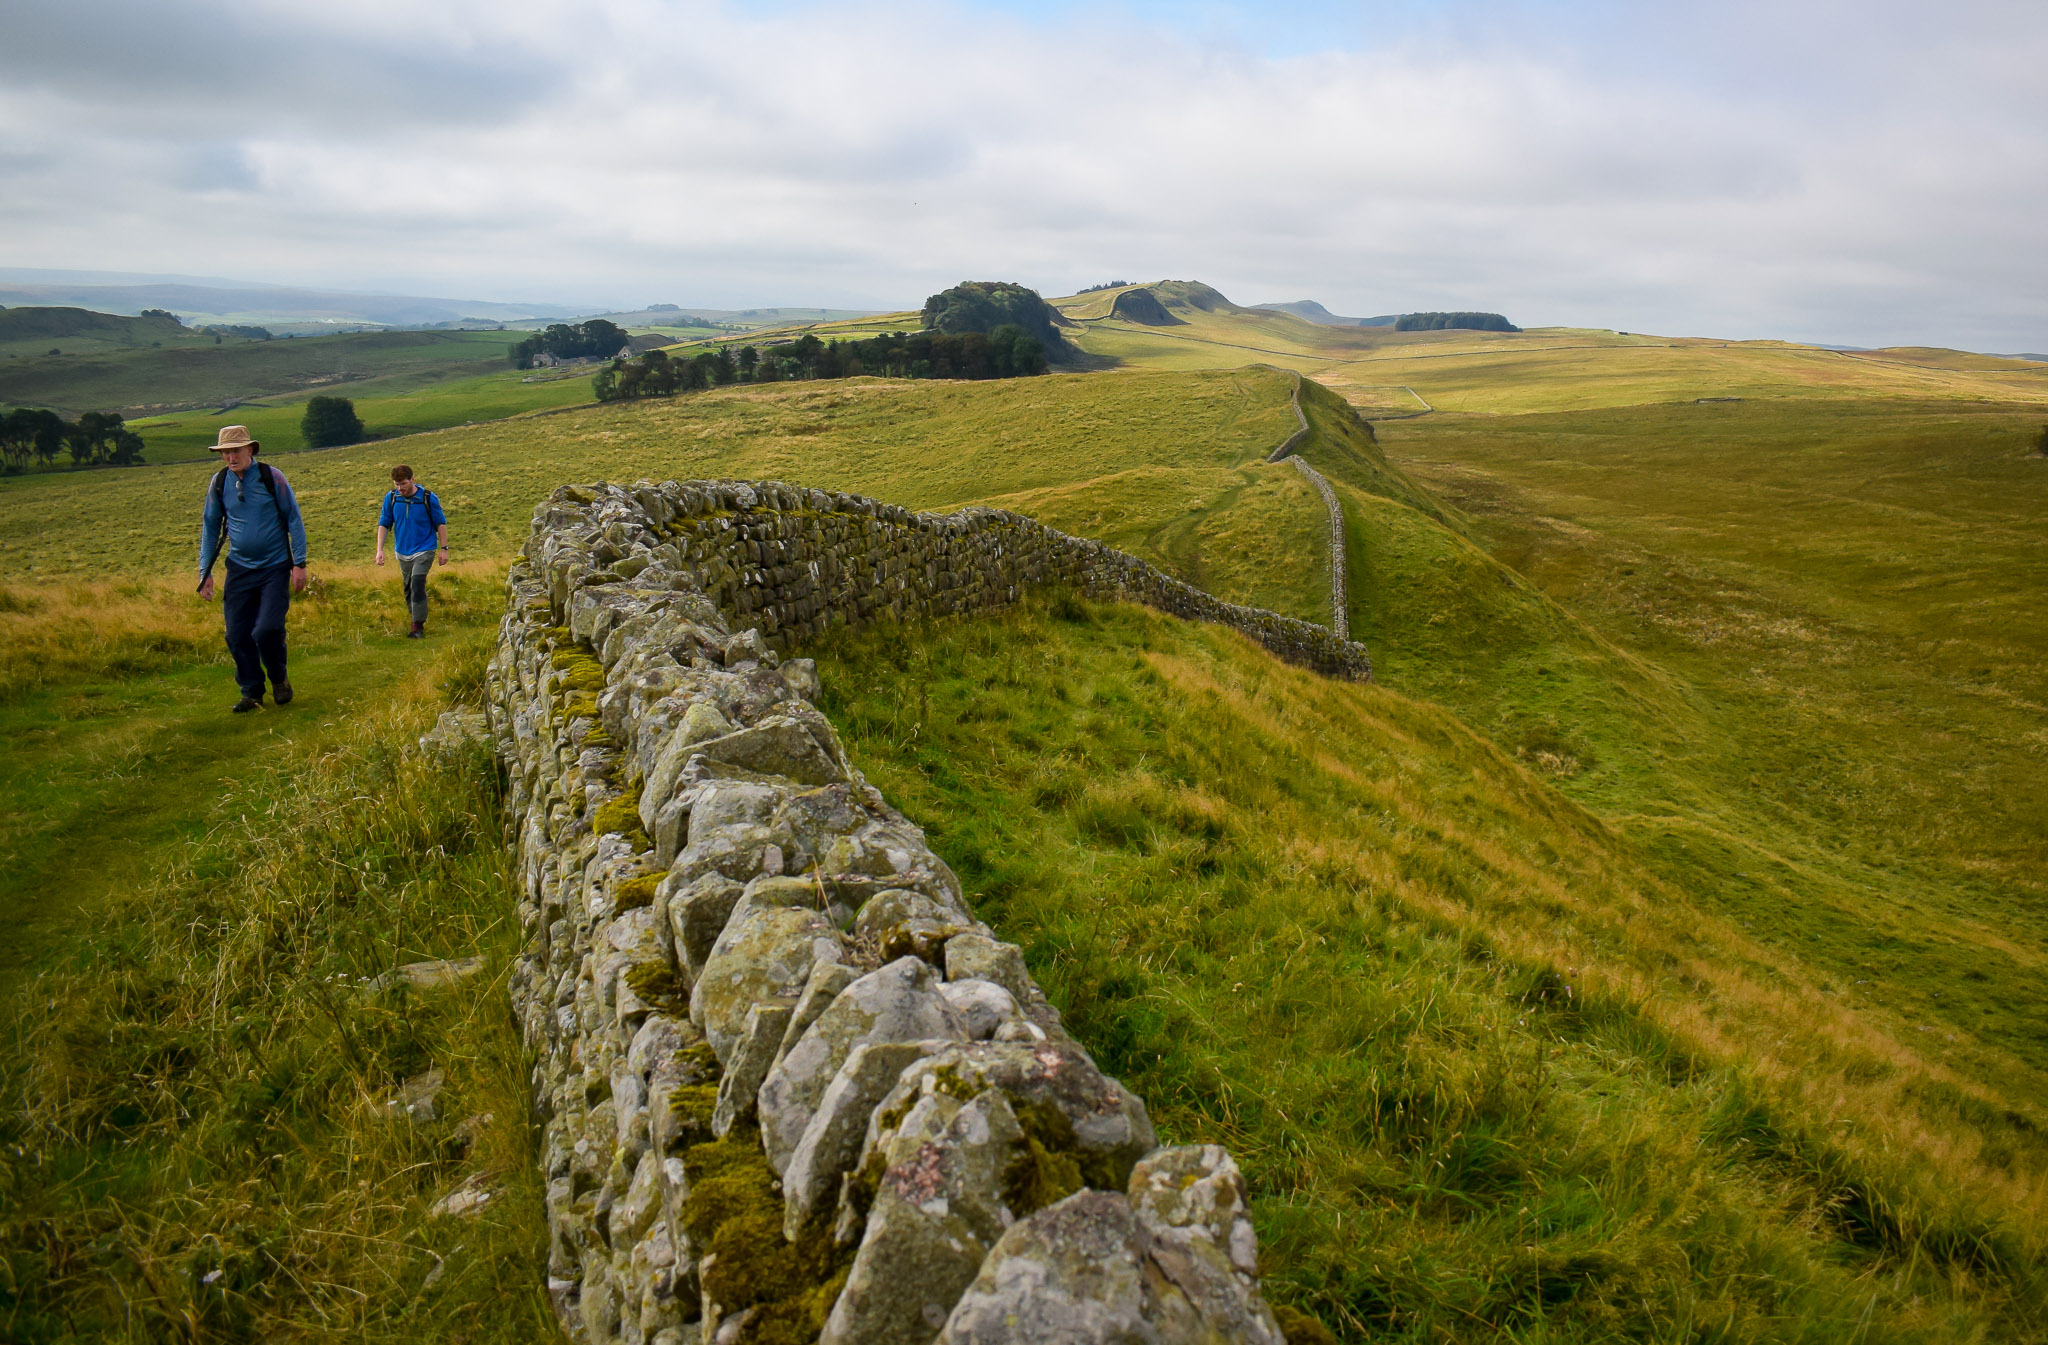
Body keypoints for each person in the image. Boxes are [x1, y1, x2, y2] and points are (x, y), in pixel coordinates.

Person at [197, 425, 309, 713]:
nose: (230, 457)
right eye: (225, 452)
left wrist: (299, 563)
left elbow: (293, 519)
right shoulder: (219, 483)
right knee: (236, 634)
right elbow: (210, 527)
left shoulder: (272, 477)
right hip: (239, 569)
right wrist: (205, 572)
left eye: (235, 450)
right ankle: (252, 691)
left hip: (275, 567)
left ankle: (279, 679)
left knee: (267, 629)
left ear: (250, 450)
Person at [374, 464, 448, 637]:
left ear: (412, 480)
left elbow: (440, 523)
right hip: (402, 551)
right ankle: (414, 617)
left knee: (417, 582)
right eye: (396, 485)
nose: (400, 489)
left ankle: (418, 626)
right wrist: (379, 550)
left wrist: (444, 549)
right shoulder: (391, 498)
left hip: (425, 548)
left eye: (404, 484)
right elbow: (384, 524)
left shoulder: (428, 498)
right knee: (408, 587)